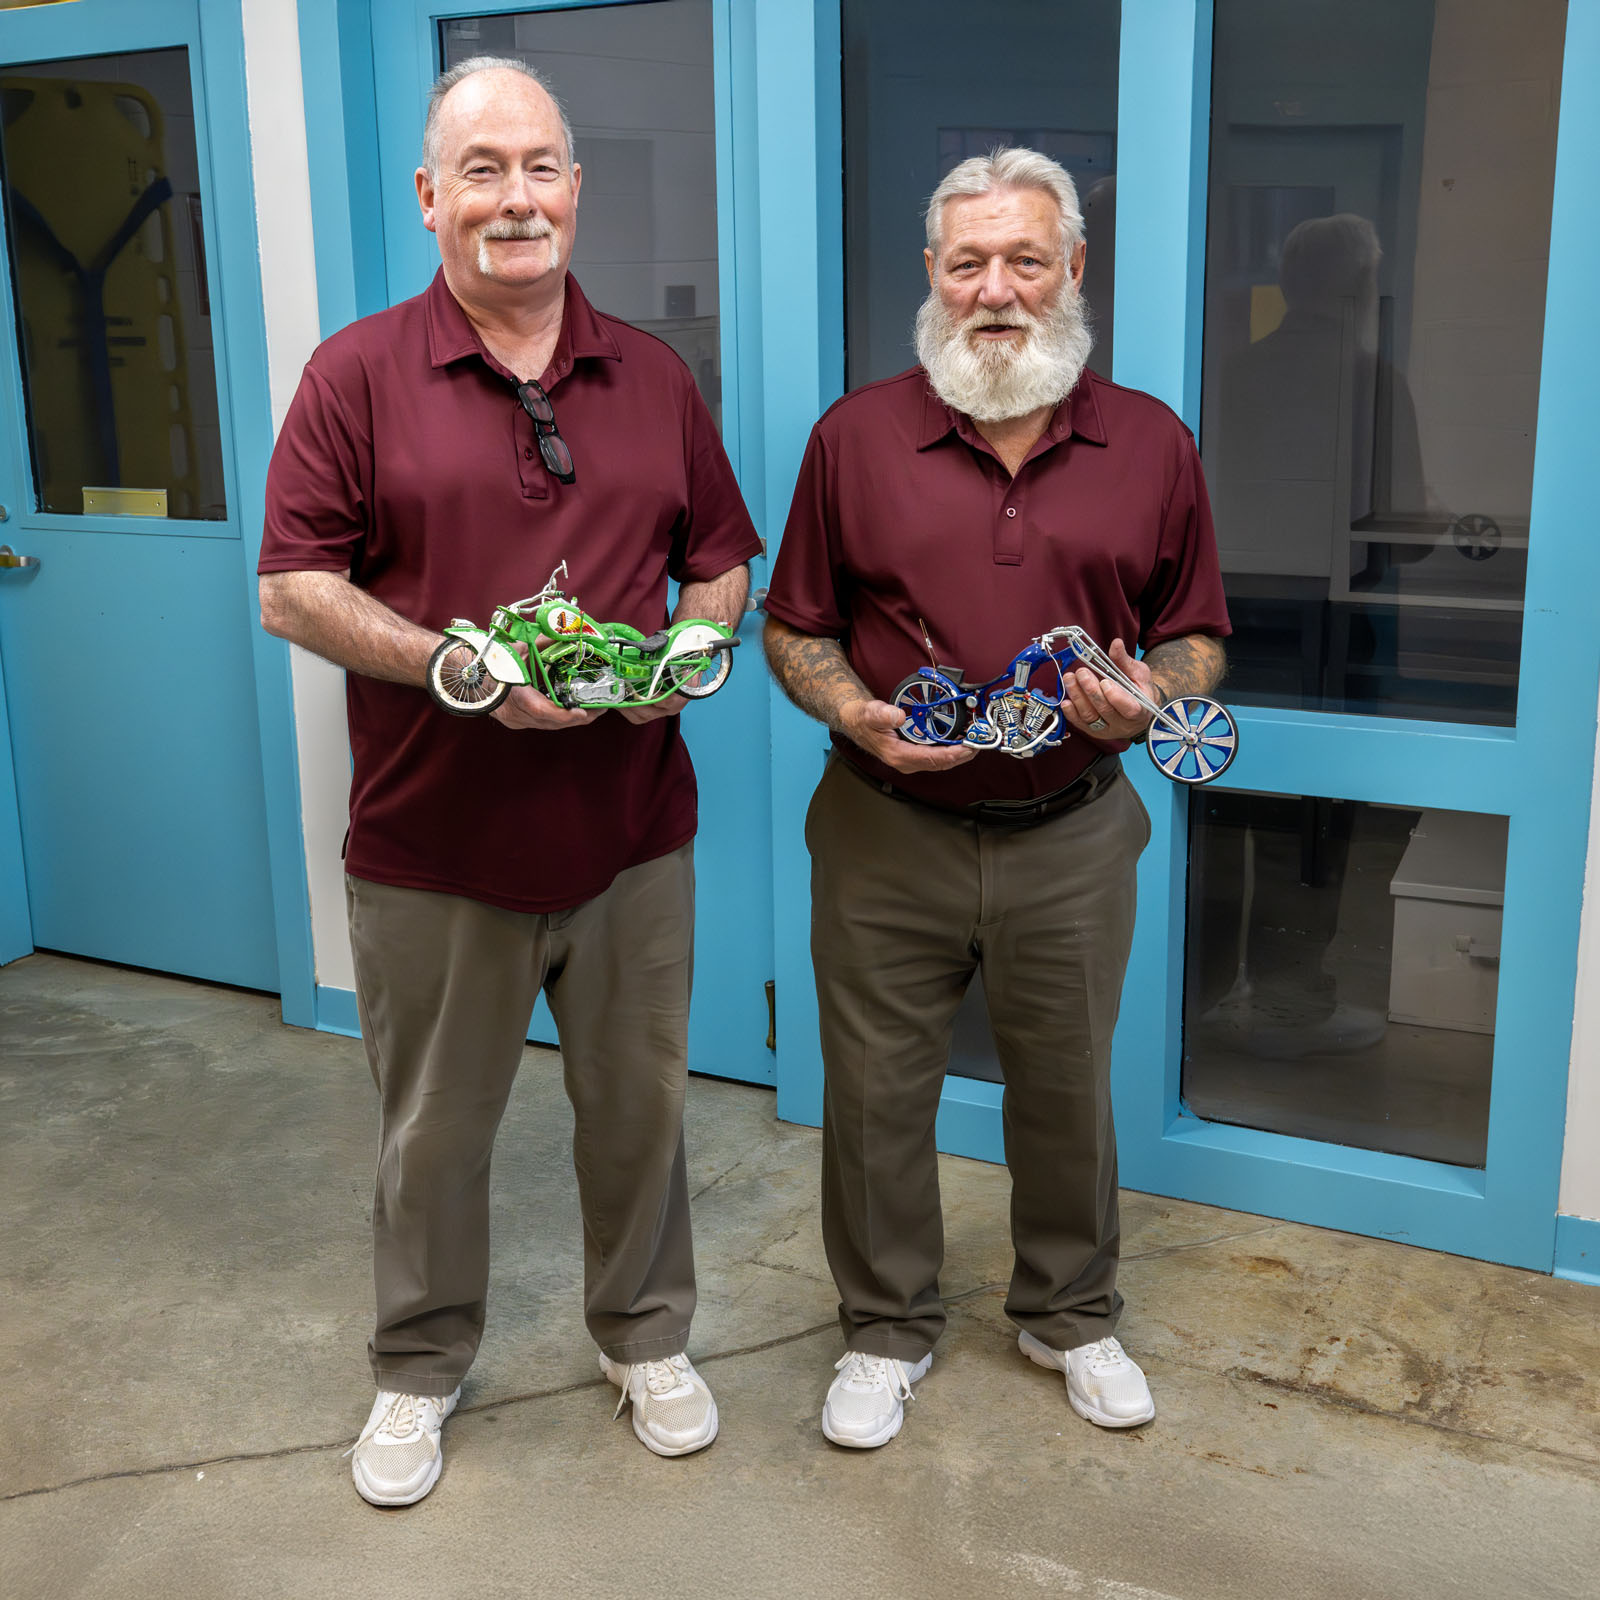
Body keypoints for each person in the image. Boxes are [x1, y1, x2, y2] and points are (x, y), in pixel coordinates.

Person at [258, 56, 759, 1505]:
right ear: (430, 199)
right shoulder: (358, 374)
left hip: (631, 838)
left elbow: (721, 563)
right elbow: (294, 588)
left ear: (577, 190)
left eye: (539, 166)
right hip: (431, 844)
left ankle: (646, 1338)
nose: (515, 197)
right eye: (480, 170)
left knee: (641, 1112)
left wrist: (687, 654)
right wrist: (459, 672)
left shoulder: (655, 376)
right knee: (429, 1136)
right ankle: (418, 1369)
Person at [763, 148, 1230, 1448]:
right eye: (967, 261)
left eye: (1026, 258)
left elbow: (1195, 636)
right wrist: (848, 707)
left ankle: (1069, 1313)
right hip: (881, 827)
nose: (996, 287)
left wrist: (1149, 695)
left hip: (1074, 830)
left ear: (1075, 269)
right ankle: (885, 1329)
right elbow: (793, 628)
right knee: (871, 1093)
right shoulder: (853, 437)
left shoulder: (1150, 444)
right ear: (932, 275)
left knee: (1069, 1087)